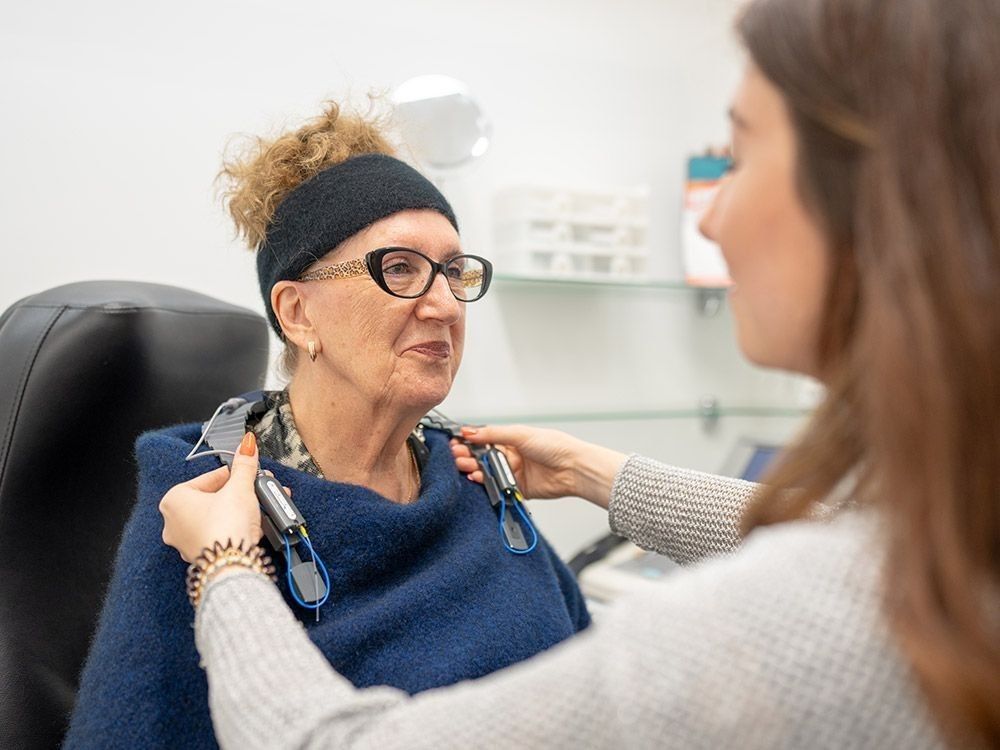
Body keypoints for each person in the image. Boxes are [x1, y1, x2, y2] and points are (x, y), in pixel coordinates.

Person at [160, 0, 1000, 746]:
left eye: (739, 159)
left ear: (872, 199)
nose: (709, 215)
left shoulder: (805, 616)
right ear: (297, 313)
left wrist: (225, 565)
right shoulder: (199, 483)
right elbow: (865, 543)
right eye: (400, 270)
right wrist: (592, 472)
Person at [64, 104, 589, 749]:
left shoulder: (477, 479)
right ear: (298, 314)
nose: (446, 305)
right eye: (399, 268)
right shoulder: (208, 506)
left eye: (455, 272)